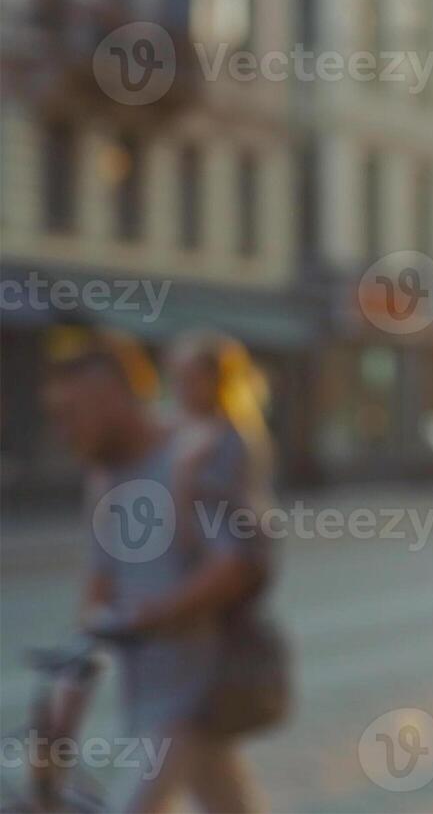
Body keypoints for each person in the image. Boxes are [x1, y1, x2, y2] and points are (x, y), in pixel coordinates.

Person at [42, 328, 271, 813]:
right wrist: (60, 722)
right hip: (147, 696)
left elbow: (238, 562)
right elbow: (97, 603)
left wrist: (159, 613)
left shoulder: (196, 455)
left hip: (197, 695)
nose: (63, 432)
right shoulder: (104, 480)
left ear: (110, 400)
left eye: (70, 416)